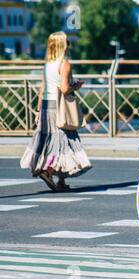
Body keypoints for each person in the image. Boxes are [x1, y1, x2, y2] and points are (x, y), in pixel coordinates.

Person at [20, 31, 91, 191]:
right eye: (67, 42)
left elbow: (42, 89)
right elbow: (65, 89)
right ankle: (48, 171)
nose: (69, 44)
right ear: (62, 44)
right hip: (59, 108)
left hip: (46, 106)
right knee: (63, 143)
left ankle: (60, 181)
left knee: (51, 142)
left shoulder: (47, 64)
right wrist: (76, 87)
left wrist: (38, 111)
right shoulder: (64, 63)